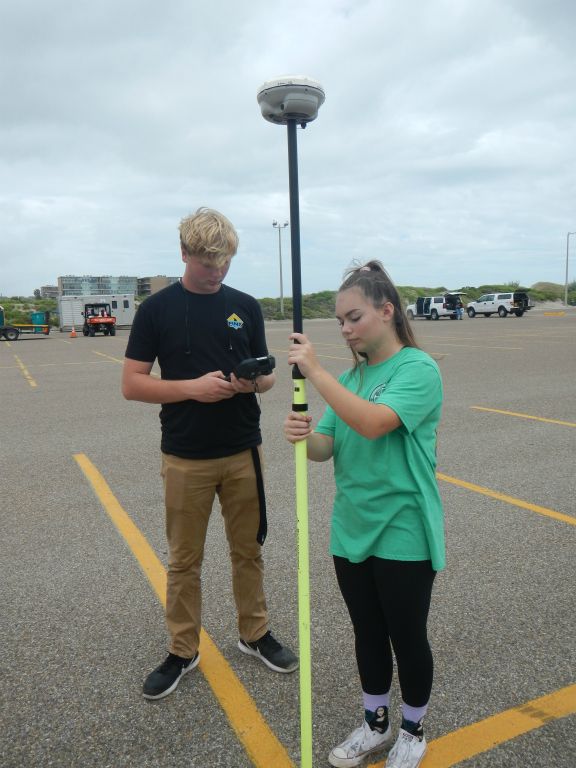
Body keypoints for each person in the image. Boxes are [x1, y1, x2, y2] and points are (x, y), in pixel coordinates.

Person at [122, 207, 298, 701]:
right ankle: (183, 649)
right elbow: (132, 385)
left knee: (249, 550)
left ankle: (254, 633)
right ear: (184, 253)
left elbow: (268, 376)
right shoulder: (156, 310)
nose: (216, 270)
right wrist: (193, 389)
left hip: (244, 450)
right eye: (206, 261)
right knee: (184, 560)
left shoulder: (246, 305)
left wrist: (253, 380)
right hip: (185, 456)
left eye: (224, 261)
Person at [284, 261, 445, 768]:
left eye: (354, 317)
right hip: (350, 529)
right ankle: (375, 722)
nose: (346, 329)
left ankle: (413, 729)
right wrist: (303, 436)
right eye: (340, 322)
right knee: (367, 633)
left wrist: (316, 371)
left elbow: (375, 423)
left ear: (386, 310)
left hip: (403, 528)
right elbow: (326, 447)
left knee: (406, 634)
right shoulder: (352, 377)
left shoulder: (418, 369)